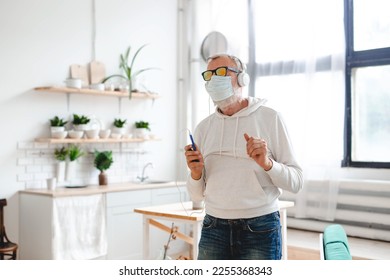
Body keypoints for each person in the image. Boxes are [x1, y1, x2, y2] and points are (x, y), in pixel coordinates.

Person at [184, 54, 303, 260]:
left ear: (242, 79)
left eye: (221, 72)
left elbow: (296, 182)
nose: (213, 79)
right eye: (209, 74)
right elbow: (196, 196)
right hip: (214, 227)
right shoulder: (204, 128)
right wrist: (195, 174)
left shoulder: (270, 118)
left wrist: (267, 164)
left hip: (260, 227)